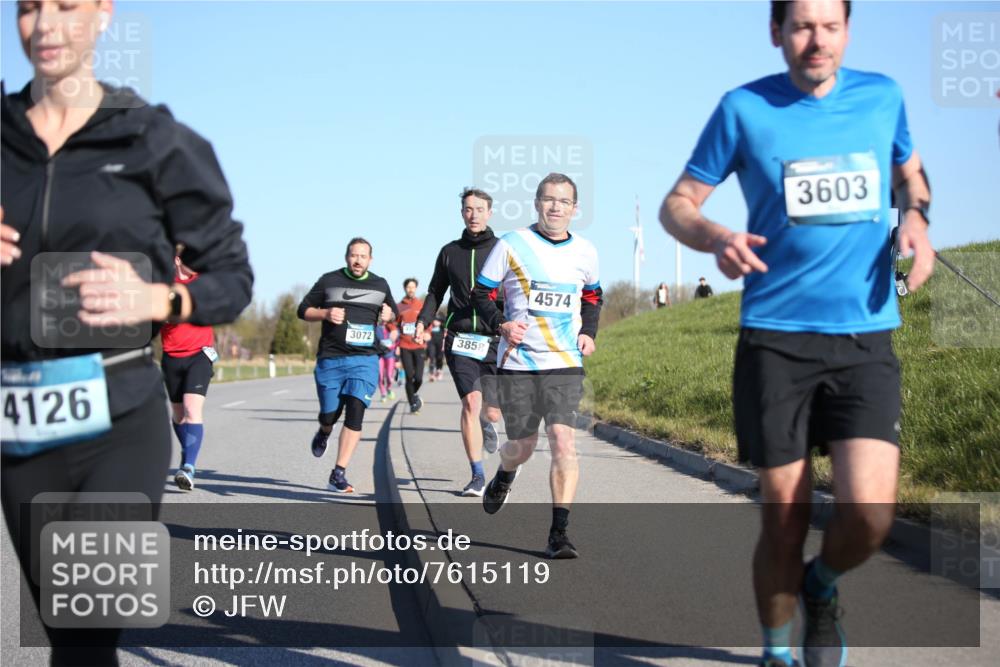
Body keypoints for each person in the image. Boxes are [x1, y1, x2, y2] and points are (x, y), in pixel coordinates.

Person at [658, 2, 934, 665]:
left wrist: (917, 219)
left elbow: (909, 172)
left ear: (847, 31)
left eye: (830, 26)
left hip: (865, 335)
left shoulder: (882, 97)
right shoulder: (744, 108)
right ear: (777, 32)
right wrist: (716, 235)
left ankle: (823, 583)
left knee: (870, 513)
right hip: (775, 338)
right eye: (802, 26)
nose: (817, 41)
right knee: (783, 516)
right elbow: (677, 204)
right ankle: (778, 651)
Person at [1, 2, 253, 663]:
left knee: (86, 629)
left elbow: (233, 276)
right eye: (28, 9)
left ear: (103, 14)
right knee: (66, 635)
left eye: (66, 6)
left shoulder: (153, 139)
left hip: (120, 414)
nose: (45, 26)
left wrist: (163, 297)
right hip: (18, 425)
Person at [473, 173, 603, 559]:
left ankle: (558, 534)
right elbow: (481, 292)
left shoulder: (586, 251)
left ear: (575, 208)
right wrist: (502, 324)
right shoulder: (512, 244)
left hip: (564, 362)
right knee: (522, 446)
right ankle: (506, 472)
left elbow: (593, 295)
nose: (555, 207)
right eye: (548, 200)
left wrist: (589, 332)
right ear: (537, 203)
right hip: (519, 362)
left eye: (563, 201)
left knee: (563, 441)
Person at [415, 188, 505, 497]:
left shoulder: (503, 249)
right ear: (462, 213)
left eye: (480, 209)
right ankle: (477, 475)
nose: (474, 214)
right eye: (468, 209)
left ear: (489, 212)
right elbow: (435, 292)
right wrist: (422, 321)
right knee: (471, 402)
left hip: (495, 338)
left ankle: (487, 422)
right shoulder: (449, 252)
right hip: (460, 338)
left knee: (492, 412)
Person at [298, 237, 397, 493]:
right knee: (329, 414)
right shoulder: (329, 281)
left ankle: (338, 473)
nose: (358, 260)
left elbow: (393, 313)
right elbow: (303, 309)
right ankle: (324, 430)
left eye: (363, 256)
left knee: (355, 410)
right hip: (331, 359)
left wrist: (389, 315)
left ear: (370, 260)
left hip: (364, 360)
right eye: (354, 255)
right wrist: (324, 313)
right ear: (346, 257)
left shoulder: (380, 284)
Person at [160, 253, 219, 491]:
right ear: (176, 259)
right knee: (177, 414)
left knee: (191, 409)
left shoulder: (204, 281)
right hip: (171, 356)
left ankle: (189, 466)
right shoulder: (164, 284)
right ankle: (188, 452)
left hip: (200, 354)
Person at [395, 278, 426, 412]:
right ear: (405, 289)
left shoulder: (421, 305)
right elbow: (392, 323)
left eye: (413, 287)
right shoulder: (399, 306)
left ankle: (413, 395)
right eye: (408, 287)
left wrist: (427, 332)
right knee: (408, 375)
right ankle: (413, 403)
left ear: (416, 288)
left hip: (419, 344)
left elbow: (428, 320)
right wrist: (392, 332)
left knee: (418, 377)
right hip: (404, 345)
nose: (411, 290)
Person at [375, 321, 398, 403]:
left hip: (390, 354)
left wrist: (396, 351)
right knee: (380, 375)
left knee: (388, 376)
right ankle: (383, 393)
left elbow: (398, 341)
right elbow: (375, 340)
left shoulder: (393, 328)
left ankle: (388, 388)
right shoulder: (377, 328)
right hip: (380, 354)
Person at [427, 316, 445, 381]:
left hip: (440, 341)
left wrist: (440, 323)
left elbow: (446, 326)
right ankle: (431, 374)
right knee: (431, 357)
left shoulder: (441, 318)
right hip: (431, 342)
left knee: (439, 357)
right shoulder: (429, 318)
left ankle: (439, 370)